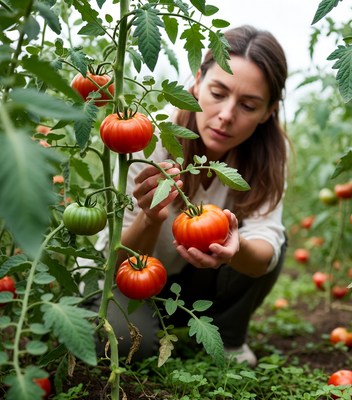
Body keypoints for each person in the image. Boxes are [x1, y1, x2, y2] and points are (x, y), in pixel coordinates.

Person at [100, 24, 289, 368]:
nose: (227, 115)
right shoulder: (147, 141)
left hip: (192, 282)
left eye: (248, 105)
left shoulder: (268, 158)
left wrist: (236, 249)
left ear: (269, 111)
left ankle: (228, 338)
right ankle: (152, 324)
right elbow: (116, 263)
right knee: (127, 344)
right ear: (197, 83)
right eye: (218, 93)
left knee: (275, 244)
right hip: (127, 279)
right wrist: (150, 217)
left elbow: (265, 248)